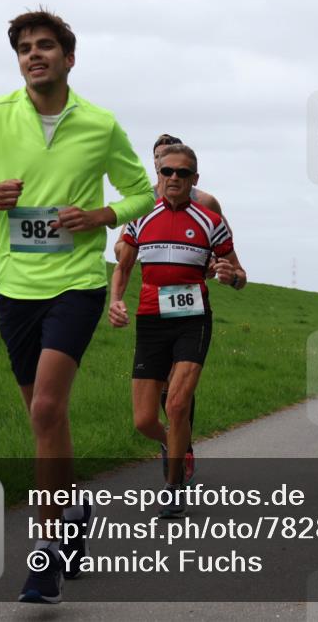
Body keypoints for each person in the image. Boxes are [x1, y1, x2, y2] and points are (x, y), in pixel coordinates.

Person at [0, 9, 156, 604]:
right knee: (45, 418)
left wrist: (101, 216)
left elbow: (141, 192)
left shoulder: (100, 125)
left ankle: (44, 555)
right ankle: (75, 507)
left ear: (69, 57)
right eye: (25, 48)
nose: (34, 55)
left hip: (77, 283)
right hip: (15, 288)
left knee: (46, 410)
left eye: (46, 46)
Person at [109, 141, 245, 518]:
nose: (173, 178)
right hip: (151, 320)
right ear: (158, 175)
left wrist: (230, 276)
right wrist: (116, 300)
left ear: (194, 179)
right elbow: (123, 265)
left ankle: (172, 486)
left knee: (178, 403)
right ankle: (174, 444)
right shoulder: (140, 215)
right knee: (143, 420)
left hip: (192, 320)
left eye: (182, 173)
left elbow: (240, 276)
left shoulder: (210, 222)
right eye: (166, 171)